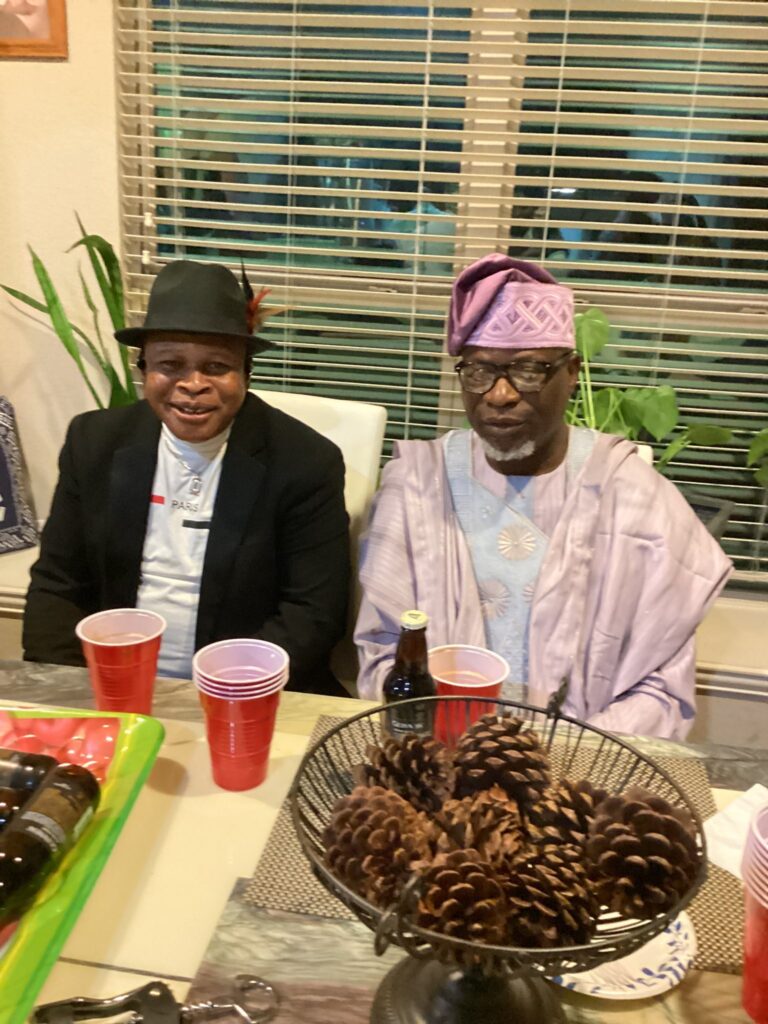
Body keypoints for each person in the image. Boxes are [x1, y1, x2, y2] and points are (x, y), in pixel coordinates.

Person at [355, 253, 732, 737]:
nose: (500, 394)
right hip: (438, 750)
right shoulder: (416, 485)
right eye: (479, 371)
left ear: (571, 372)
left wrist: (559, 759)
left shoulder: (633, 495)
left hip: (586, 757)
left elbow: (659, 687)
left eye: (529, 370)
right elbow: (383, 653)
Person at [23, 261, 350, 696]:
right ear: (144, 369)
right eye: (170, 364)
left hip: (245, 690)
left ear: (245, 373)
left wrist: (222, 694)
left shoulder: (305, 461)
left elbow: (313, 612)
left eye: (216, 366)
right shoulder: (94, 443)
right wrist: (66, 692)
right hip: (111, 686)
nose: (193, 384)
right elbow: (57, 586)